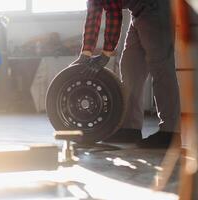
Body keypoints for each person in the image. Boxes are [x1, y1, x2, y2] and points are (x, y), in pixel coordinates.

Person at [72, 0, 181, 148]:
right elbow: (93, 14)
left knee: (161, 68)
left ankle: (170, 133)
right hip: (137, 12)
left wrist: (105, 54)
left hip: (155, 7)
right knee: (130, 67)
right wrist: (85, 54)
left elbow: (114, 14)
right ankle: (131, 128)